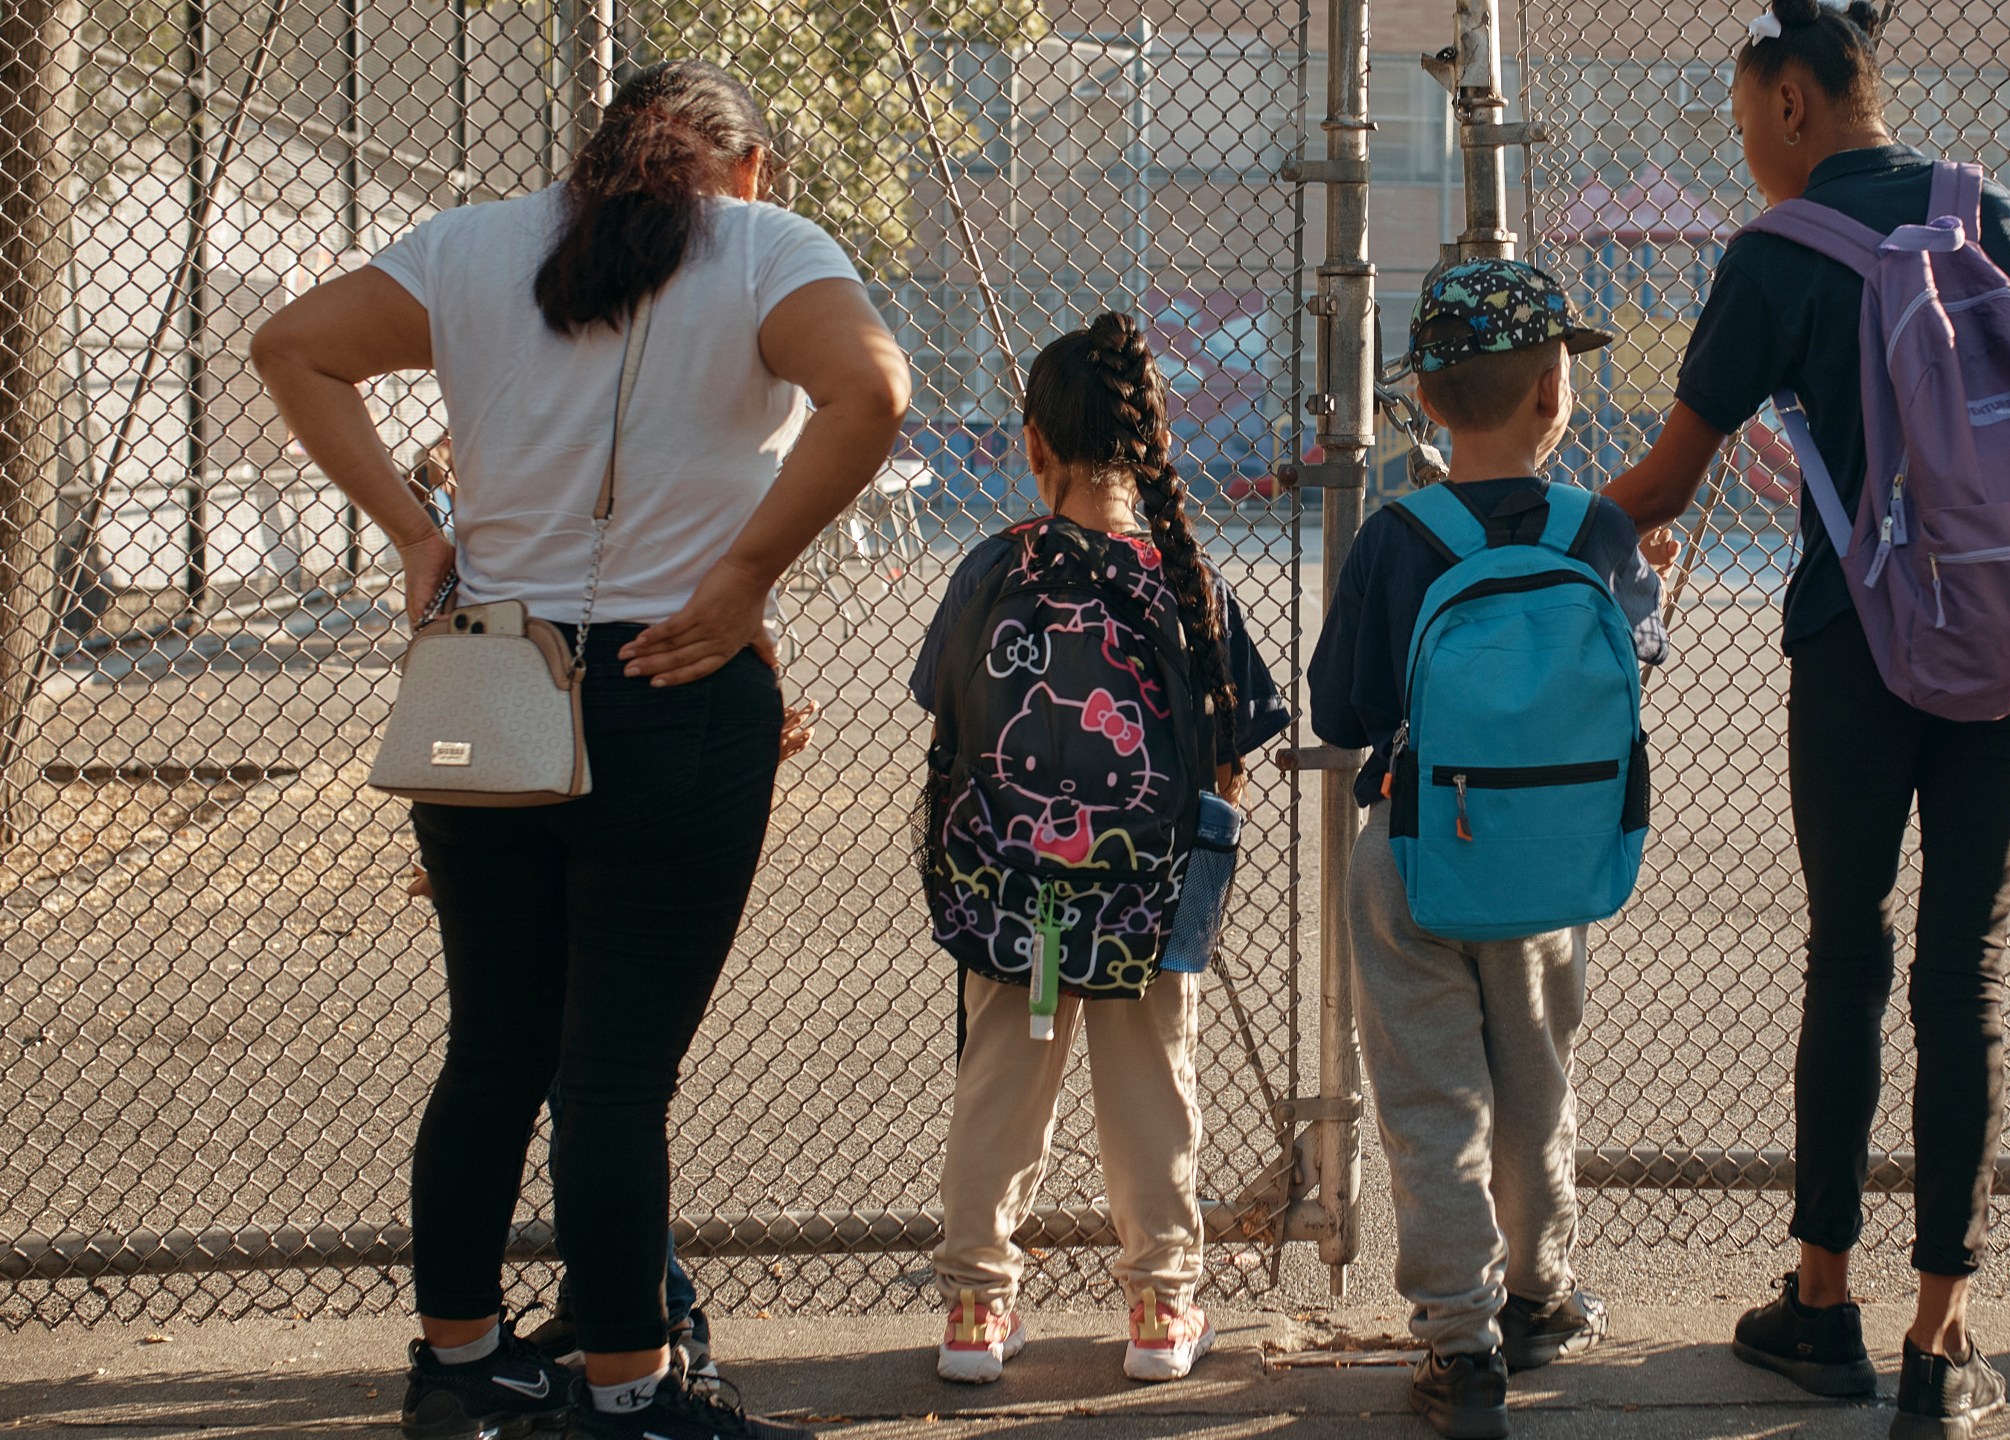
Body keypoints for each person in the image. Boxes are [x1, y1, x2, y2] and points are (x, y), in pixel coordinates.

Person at [252, 58, 910, 1440]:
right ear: (748, 169)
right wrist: (743, 579)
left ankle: (461, 1366)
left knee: (492, 1041)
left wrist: (419, 529)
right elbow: (873, 394)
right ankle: (627, 1394)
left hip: (489, 672)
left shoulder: (477, 241)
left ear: (597, 157)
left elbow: (289, 348)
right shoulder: (762, 248)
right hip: (669, 679)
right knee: (615, 1070)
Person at [1601, 4, 2010, 1436]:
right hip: (2008, 643)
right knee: (1963, 981)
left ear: (1796, 103)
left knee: (1849, 958)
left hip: (1859, 647)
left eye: (1746, 119)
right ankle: (1944, 1338)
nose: (1745, 146)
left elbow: (1669, 483)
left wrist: (1511, 525)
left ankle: (1822, 1302)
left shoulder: (1780, 249)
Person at [1310, 258, 1667, 1440]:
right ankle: (1539, 1294)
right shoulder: (1600, 530)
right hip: (1548, 872)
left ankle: (1458, 1349)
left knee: (1427, 1102)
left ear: (1424, 400)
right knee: (1534, 1085)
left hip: (1410, 852)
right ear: (1553, 397)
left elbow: (1346, 708)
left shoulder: (1394, 537)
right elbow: (1628, 668)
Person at [908, 313, 1292, 1387]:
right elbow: (1231, 742)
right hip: (1148, 901)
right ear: (1151, 444)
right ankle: (1162, 1311)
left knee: (1000, 1085)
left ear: (1032, 444)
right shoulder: (1188, 580)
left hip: (1013, 896)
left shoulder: (992, 567)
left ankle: (976, 1313)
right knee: (1152, 1092)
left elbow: (949, 711)